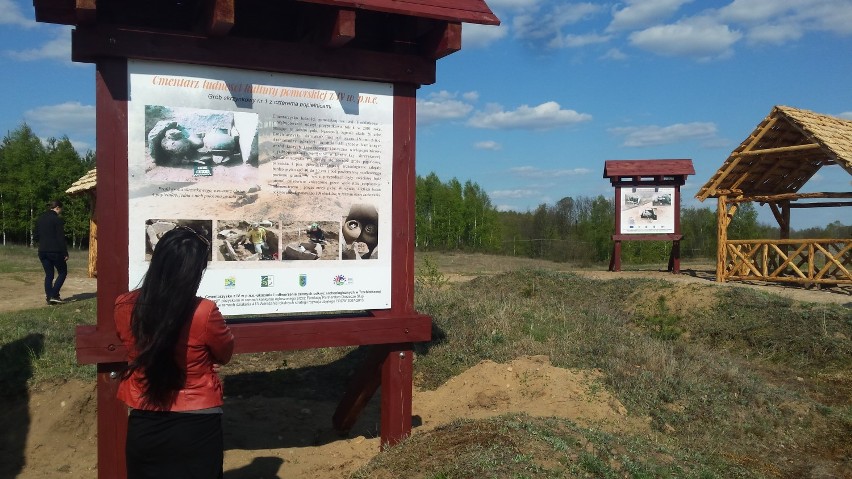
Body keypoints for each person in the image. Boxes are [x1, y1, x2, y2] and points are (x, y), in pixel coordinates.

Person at [114, 226, 234, 478]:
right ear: (194, 271)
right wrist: (205, 358)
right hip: (197, 419)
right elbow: (224, 352)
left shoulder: (124, 305)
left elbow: (134, 346)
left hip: (144, 415)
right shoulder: (205, 311)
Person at [33, 199, 68, 305]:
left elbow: (35, 236)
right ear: (57, 208)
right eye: (60, 209)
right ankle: (53, 294)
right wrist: (65, 252)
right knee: (62, 272)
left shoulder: (40, 219)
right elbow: (60, 238)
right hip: (55, 251)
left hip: (42, 251)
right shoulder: (57, 220)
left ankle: (50, 297)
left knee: (49, 275)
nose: (60, 211)